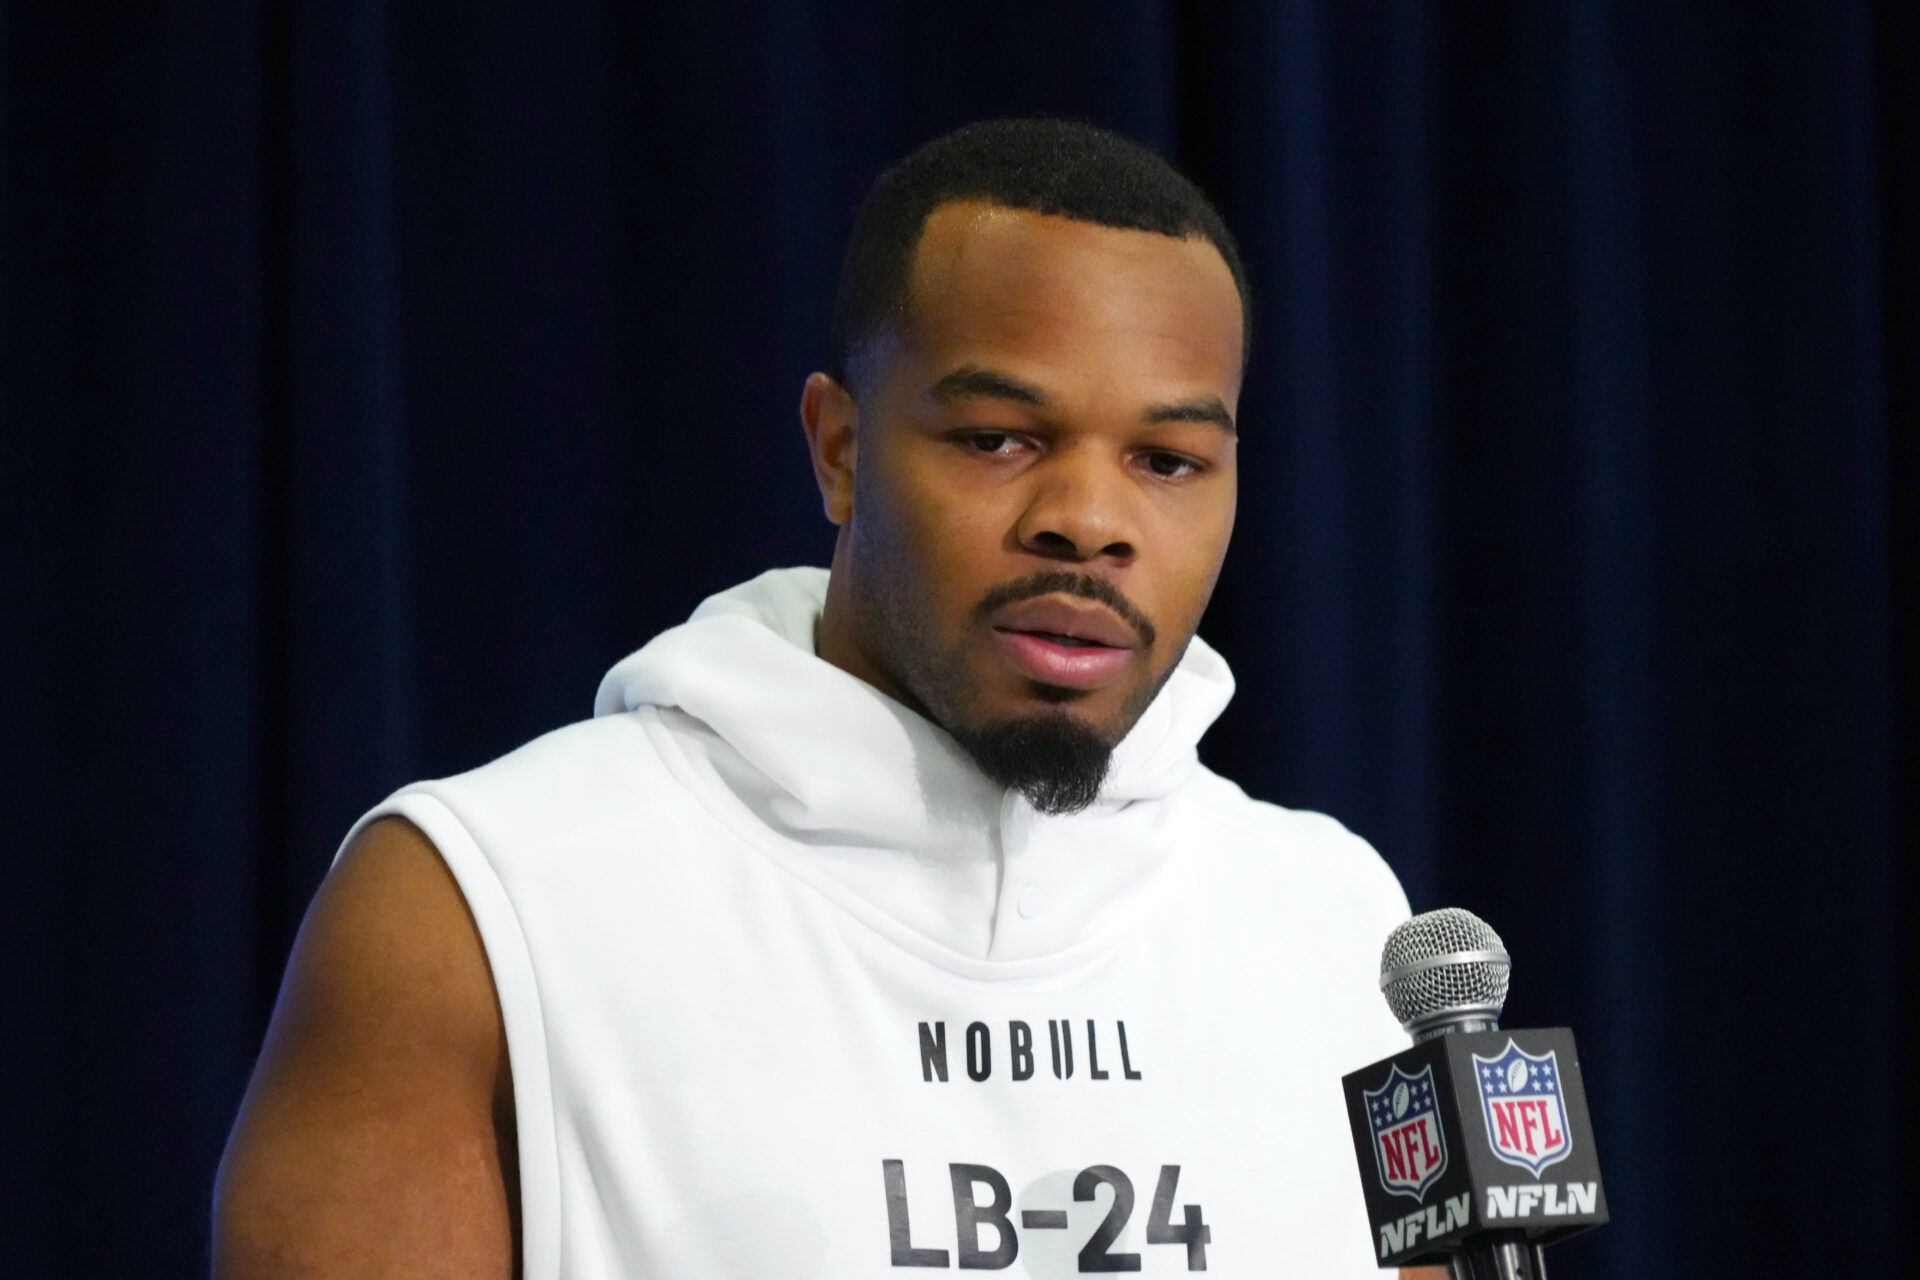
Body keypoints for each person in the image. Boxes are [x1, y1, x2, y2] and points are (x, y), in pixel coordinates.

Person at [214, 118, 1431, 1278]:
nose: (1091, 522)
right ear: (839, 447)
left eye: (1167, 461)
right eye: (1001, 436)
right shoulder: (480, 902)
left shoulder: (1337, 923)